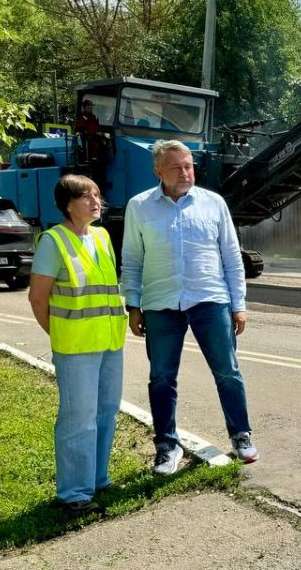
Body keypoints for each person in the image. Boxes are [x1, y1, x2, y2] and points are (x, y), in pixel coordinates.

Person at [121, 139, 257, 475]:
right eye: (176, 167)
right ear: (158, 171)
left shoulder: (214, 204)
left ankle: (241, 435)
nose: (185, 173)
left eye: (189, 166)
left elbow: (231, 257)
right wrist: (133, 305)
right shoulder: (139, 207)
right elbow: (132, 260)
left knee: (227, 371)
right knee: (162, 377)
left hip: (210, 300)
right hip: (161, 304)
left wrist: (238, 304)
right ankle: (167, 447)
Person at [28, 175, 127, 514]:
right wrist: (59, 334)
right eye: (86, 196)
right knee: (78, 419)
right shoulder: (53, 241)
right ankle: (74, 494)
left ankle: (98, 479)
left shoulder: (102, 236)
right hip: (76, 348)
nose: (95, 201)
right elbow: (38, 298)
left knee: (105, 413)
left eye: (97, 195)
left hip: (110, 341)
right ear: (67, 204)